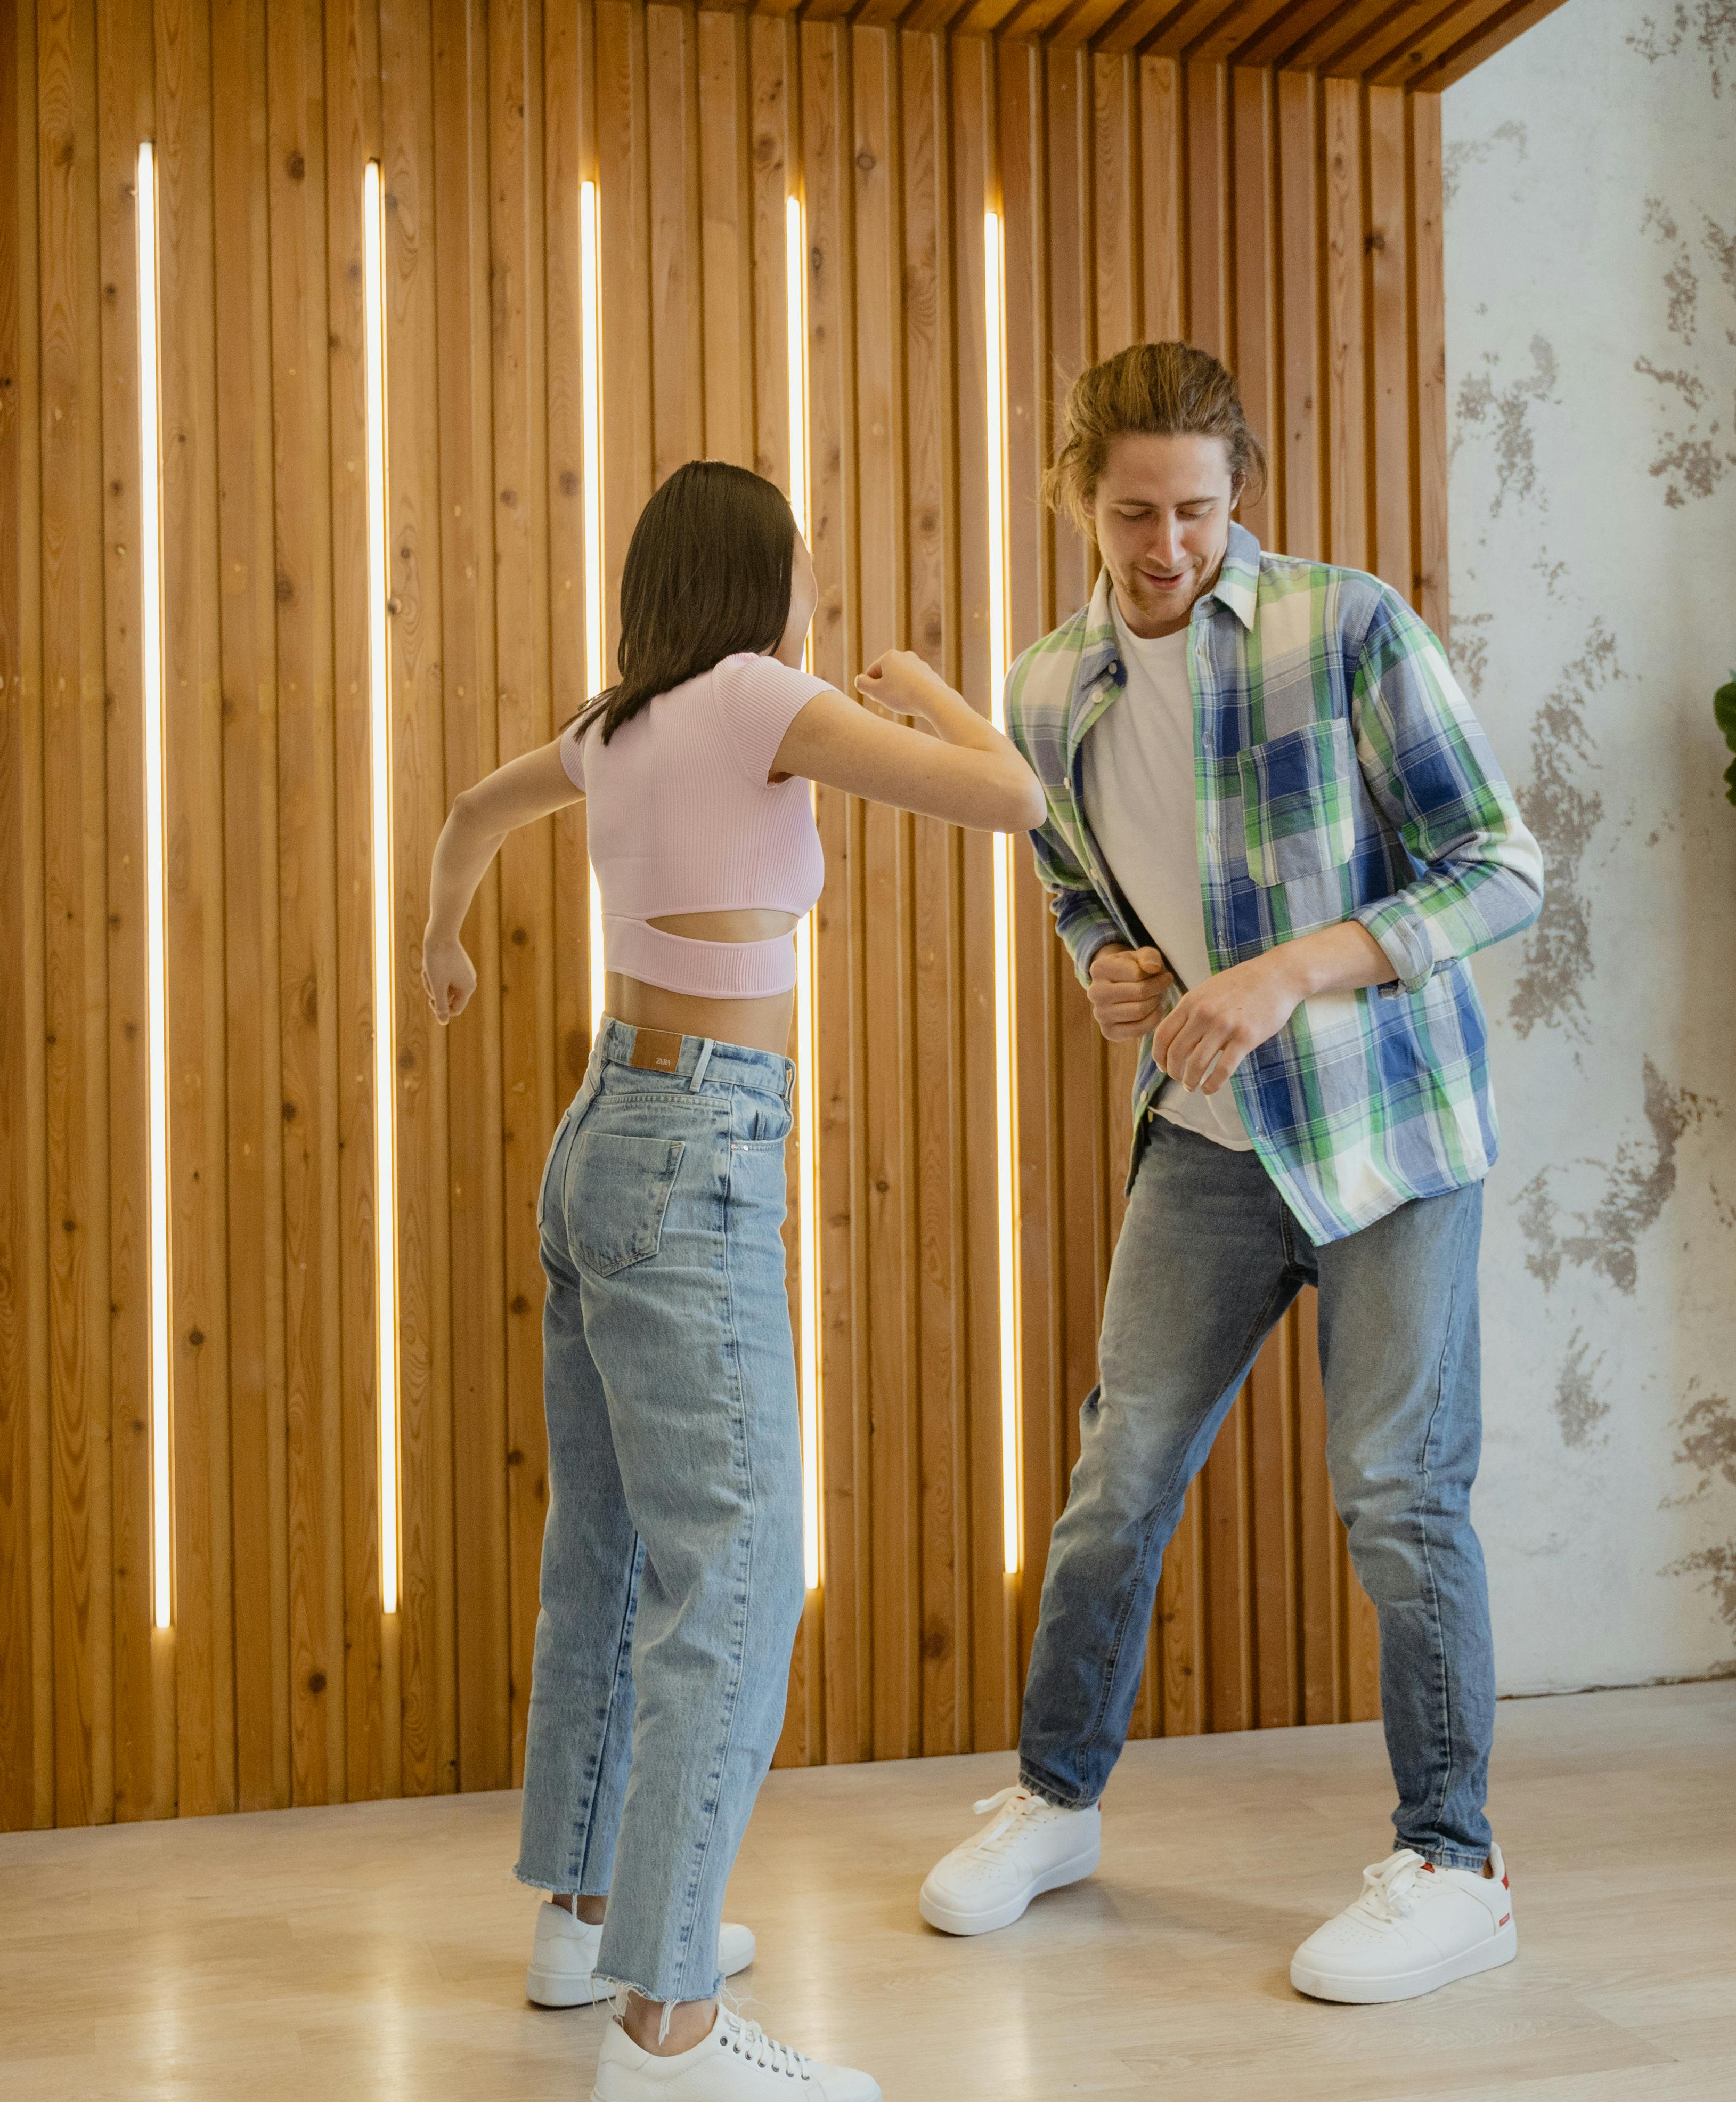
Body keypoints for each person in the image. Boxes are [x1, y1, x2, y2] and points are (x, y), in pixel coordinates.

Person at [915, 342, 1545, 2006]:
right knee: (1118, 1477)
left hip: (1388, 1130)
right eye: (1135, 510)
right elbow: (1079, 890)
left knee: (1400, 1495)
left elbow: (1502, 867)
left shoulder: (1345, 628)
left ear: (1237, 494)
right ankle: (1054, 1799)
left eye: (1200, 508)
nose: (1169, 544)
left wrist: (1291, 968)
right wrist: (1108, 973)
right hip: (1207, 1145)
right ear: (1077, 496)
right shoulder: (1048, 688)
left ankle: (1456, 1860)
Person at [422, 459, 1041, 2099]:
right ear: (763, 584)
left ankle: (593, 1913)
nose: (815, 607)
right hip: (694, 1150)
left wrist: (446, 943)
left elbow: (473, 816)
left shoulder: (613, 722)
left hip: (603, 1133)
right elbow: (1016, 799)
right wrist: (921, 687)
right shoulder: (762, 694)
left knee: (612, 1550)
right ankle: (671, 2026)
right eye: (806, 577)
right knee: (745, 1570)